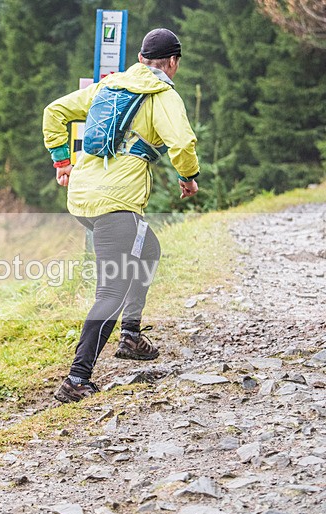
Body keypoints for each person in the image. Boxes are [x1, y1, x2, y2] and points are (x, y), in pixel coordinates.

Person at [42, 28, 200, 403]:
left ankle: (130, 334)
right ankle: (77, 378)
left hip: (83, 195)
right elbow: (183, 142)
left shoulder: (108, 87)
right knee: (111, 289)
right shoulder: (163, 95)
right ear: (173, 62)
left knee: (148, 251)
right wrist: (188, 177)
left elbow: (55, 111)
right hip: (117, 202)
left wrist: (62, 160)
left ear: (142, 58)